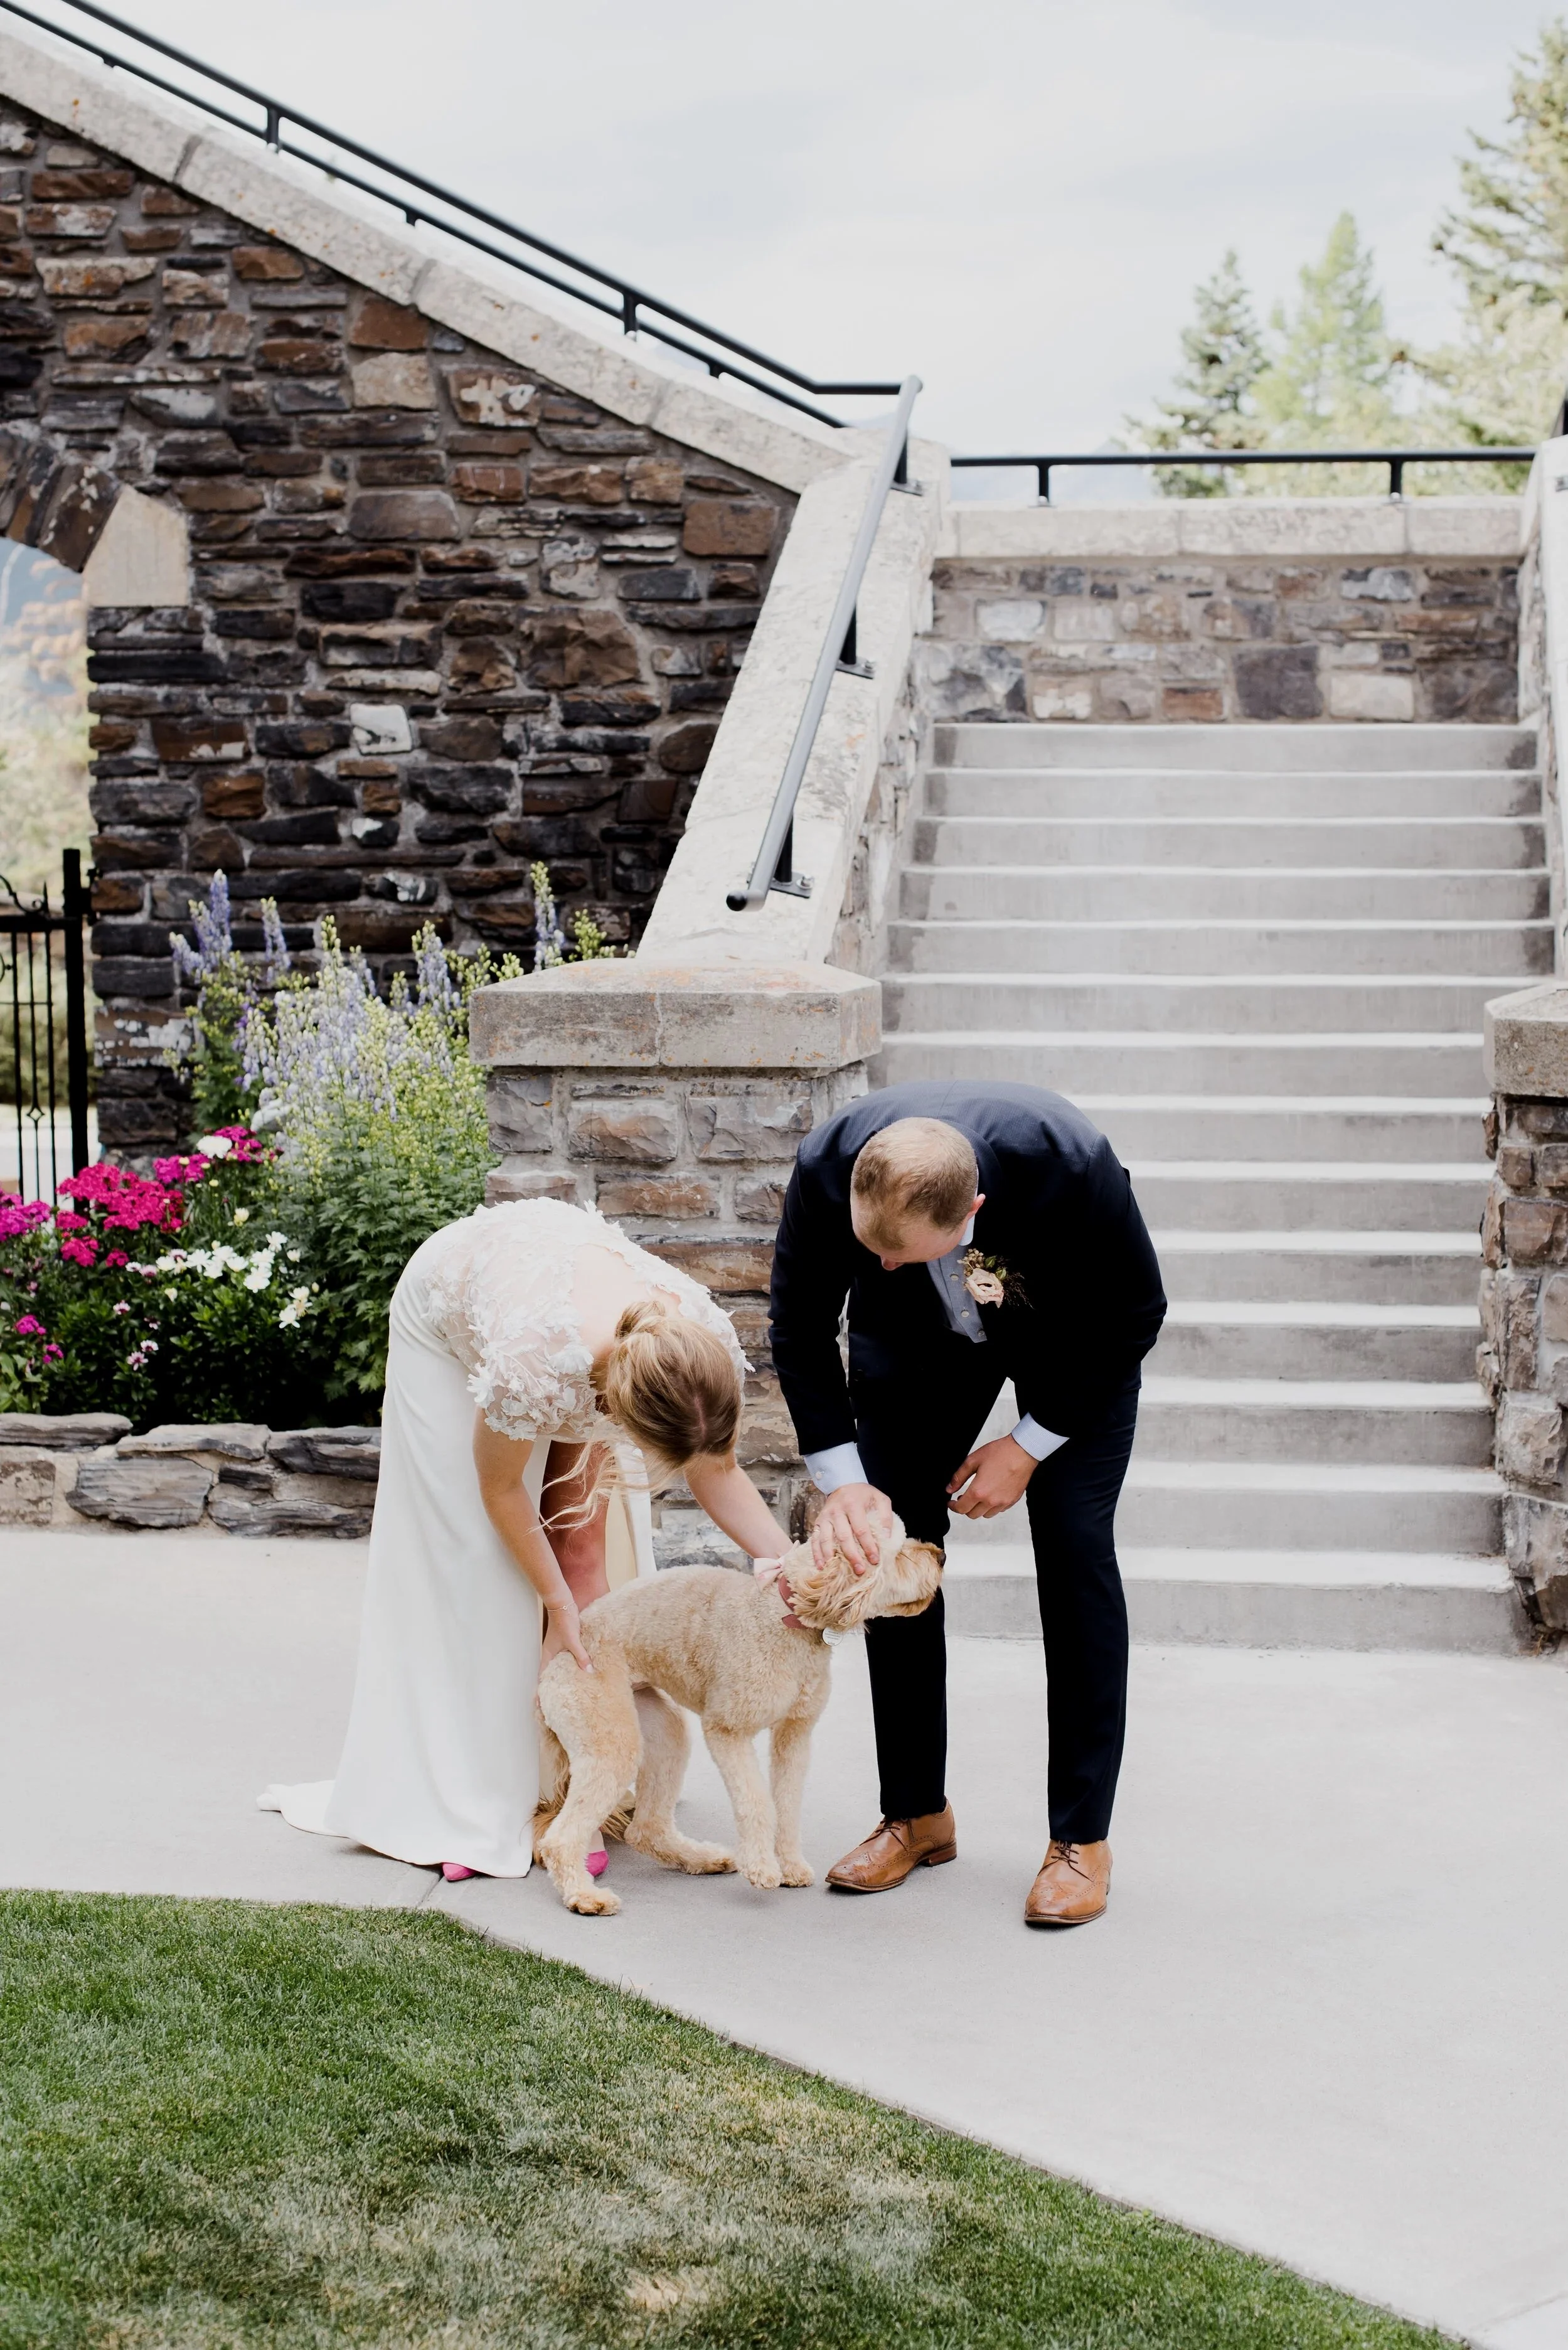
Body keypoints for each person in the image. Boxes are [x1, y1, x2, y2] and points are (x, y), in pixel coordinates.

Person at [262, 1197, 791, 1880]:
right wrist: (553, 1601)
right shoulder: (533, 1363)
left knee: (586, 1563)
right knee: (484, 1567)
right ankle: (471, 1797)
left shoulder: (696, 1347)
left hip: (573, 1319)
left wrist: (783, 1561)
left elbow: (717, 1469)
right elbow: (501, 1490)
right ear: (622, 1408)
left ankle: (578, 1785)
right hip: (453, 1314)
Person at [769, 1081, 1166, 1926]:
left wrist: (1027, 1444)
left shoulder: (1067, 1165)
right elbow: (798, 1326)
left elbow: (1135, 1310)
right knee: (892, 1543)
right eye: (869, 1248)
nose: (876, 1265)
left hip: (1071, 1347)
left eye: (898, 1252)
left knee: (1072, 1546)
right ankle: (914, 1814)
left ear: (972, 1209)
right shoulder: (825, 1167)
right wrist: (846, 1486)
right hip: (915, 1346)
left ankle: (1080, 1838)